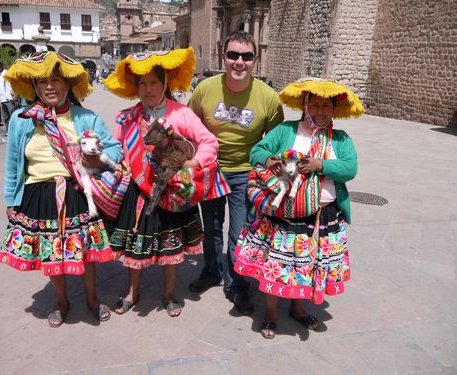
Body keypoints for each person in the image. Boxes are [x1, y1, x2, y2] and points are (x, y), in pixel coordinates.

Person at [0, 51, 123, 328]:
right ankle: (62, 302)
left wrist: (96, 156)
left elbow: (115, 148)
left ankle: (92, 298)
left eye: (56, 80)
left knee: (87, 253)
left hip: (76, 192)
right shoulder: (22, 119)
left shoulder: (85, 117)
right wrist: (11, 198)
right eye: (42, 81)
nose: (49, 86)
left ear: (68, 84)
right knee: (51, 252)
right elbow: (12, 164)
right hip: (38, 196)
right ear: (34, 86)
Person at [235, 77, 364, 338]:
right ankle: (270, 314)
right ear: (304, 105)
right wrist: (270, 159)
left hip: (322, 217)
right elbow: (257, 151)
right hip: (283, 215)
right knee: (278, 265)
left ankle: (297, 308)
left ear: (334, 109)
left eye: (326, 106)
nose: (320, 111)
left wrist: (321, 165)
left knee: (307, 265)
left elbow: (350, 169)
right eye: (314, 105)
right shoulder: (286, 130)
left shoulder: (339, 139)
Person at [104, 47, 228, 317]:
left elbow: (208, 141)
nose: (148, 89)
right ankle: (132, 293)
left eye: (154, 83)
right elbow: (116, 147)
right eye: (142, 83)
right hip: (138, 191)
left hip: (171, 193)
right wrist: (111, 158)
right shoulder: (129, 117)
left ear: (165, 84)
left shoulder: (180, 114)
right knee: (134, 247)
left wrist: (191, 164)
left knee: (172, 247)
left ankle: (170, 295)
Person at [188, 30, 284, 315]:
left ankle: (237, 285)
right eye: (233, 55)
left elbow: (274, 142)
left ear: (255, 60)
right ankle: (211, 271)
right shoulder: (205, 89)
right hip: (211, 169)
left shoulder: (268, 98)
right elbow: (188, 127)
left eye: (246, 56)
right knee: (212, 227)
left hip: (246, 174)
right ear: (223, 56)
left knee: (241, 230)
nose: (239, 62)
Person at [0, 59, 16, 143]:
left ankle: (15, 134)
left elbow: (15, 84)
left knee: (13, 117)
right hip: (3, 99)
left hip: (10, 99)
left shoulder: (8, 73)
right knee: (6, 118)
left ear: (0, 66)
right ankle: (9, 133)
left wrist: (15, 96)